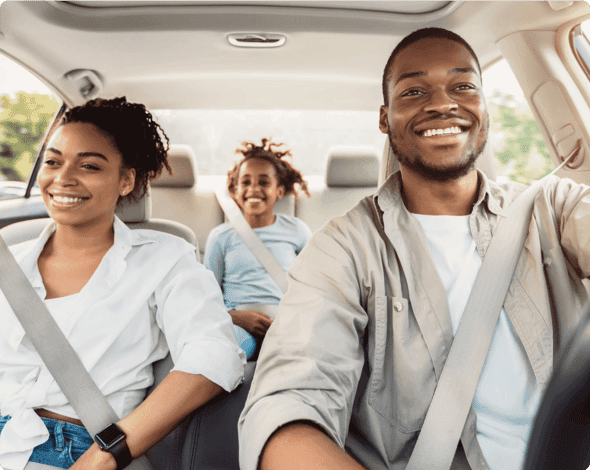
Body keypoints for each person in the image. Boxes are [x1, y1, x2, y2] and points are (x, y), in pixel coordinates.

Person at [238, 27, 590, 470]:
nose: (443, 102)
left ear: (484, 107)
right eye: (414, 91)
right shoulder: (342, 248)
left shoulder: (552, 209)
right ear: (384, 119)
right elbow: (286, 412)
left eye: (463, 86)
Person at [0, 97, 246, 470]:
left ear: (126, 180)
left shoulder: (165, 259)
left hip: (74, 449)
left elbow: (215, 354)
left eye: (89, 165)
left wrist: (110, 452)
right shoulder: (10, 260)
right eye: (52, 161)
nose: (62, 178)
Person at [203, 138, 312, 359]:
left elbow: (314, 286)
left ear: (279, 191)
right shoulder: (221, 236)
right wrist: (235, 317)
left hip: (285, 324)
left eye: (264, 182)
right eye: (245, 182)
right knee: (228, 353)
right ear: (234, 191)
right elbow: (206, 299)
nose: (254, 189)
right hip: (238, 323)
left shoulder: (297, 231)